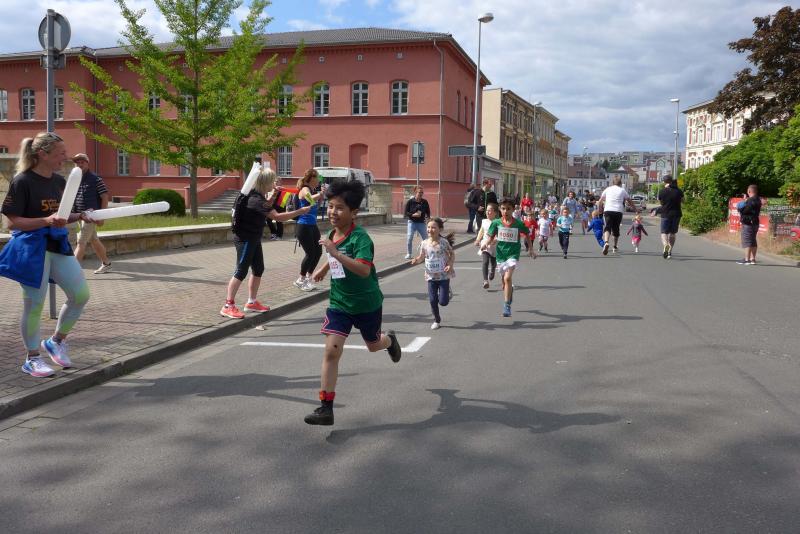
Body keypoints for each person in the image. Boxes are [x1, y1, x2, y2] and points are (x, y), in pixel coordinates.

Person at [304, 179, 402, 426]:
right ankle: (326, 408)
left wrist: (335, 254)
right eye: (330, 206)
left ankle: (390, 340)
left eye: (339, 208)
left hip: (367, 303)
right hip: (340, 302)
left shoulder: (361, 238)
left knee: (374, 345)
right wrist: (324, 268)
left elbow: (363, 269)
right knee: (331, 350)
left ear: (354, 212)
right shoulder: (332, 234)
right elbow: (334, 253)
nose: (332, 212)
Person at [0, 132, 92, 377]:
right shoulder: (22, 181)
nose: (66, 157)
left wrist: (81, 215)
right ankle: (32, 358)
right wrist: (46, 220)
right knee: (34, 304)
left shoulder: (59, 181)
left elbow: (61, 215)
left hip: (57, 245)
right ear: (43, 154)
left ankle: (56, 341)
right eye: (61, 153)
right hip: (31, 249)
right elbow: (12, 223)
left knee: (80, 294)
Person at [220, 168, 310, 319]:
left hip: (254, 238)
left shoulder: (257, 196)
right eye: (272, 182)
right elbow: (277, 217)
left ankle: (251, 302)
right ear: (265, 183)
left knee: (258, 269)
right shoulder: (255, 199)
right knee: (241, 271)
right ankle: (228, 305)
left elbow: (266, 206)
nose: (274, 184)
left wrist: (274, 195)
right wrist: (299, 211)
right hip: (246, 239)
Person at [483, 198, 533, 317]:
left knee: (507, 278)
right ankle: (509, 293)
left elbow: (527, 234)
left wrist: (531, 249)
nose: (506, 211)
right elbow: (491, 236)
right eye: (503, 208)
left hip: (513, 254)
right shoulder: (496, 223)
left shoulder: (518, 223)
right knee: (504, 282)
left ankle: (506, 305)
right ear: (500, 210)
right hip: (501, 255)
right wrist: (486, 244)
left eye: (508, 209)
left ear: (513, 209)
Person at [410, 218, 455, 330]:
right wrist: (416, 260)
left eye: (433, 227)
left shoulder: (444, 242)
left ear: (440, 229)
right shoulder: (424, 243)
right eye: (429, 227)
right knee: (432, 300)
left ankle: (447, 291)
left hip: (443, 276)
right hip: (430, 276)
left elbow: (452, 254)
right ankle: (436, 320)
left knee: (443, 302)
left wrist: (450, 264)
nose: (430, 230)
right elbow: (421, 257)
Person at [70, 153, 112, 274]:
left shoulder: (95, 179)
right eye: (77, 162)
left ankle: (72, 272)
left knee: (81, 241)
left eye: (82, 162)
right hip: (80, 216)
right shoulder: (76, 179)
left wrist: (102, 216)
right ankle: (106, 264)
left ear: (87, 163)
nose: (79, 164)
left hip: (91, 216)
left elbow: (105, 197)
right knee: (94, 240)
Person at [293, 168, 327, 291]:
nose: (318, 180)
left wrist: (321, 197)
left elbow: (314, 206)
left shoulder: (312, 190)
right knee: (310, 253)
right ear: (311, 178)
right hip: (304, 226)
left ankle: (308, 278)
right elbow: (309, 199)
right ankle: (300, 280)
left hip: (312, 225)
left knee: (318, 252)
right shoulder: (305, 189)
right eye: (317, 177)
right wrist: (320, 194)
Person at [598, 176, 637, 255]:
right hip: (618, 211)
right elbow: (629, 201)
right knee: (616, 228)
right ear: (620, 183)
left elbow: (600, 201)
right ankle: (615, 247)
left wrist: (600, 210)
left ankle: (606, 242)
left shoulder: (607, 189)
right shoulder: (622, 190)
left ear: (612, 183)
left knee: (607, 227)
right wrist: (635, 209)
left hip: (608, 210)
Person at [657, 175, 684, 259]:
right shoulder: (678, 191)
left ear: (664, 182)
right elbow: (683, 201)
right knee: (673, 233)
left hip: (665, 214)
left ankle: (665, 245)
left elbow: (661, 203)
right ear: (672, 181)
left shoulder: (662, 191)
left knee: (664, 233)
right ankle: (669, 251)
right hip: (676, 214)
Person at [474, 202, 499, 289]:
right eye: (487, 210)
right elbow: (481, 231)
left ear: (495, 212)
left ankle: (492, 270)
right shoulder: (484, 221)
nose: (488, 212)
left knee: (493, 262)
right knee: (485, 261)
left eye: (490, 210)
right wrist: (478, 240)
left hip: (494, 246)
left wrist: (496, 240)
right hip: (485, 244)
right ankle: (485, 281)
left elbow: (499, 234)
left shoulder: (498, 222)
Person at [736, 184, 762, 265]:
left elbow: (744, 210)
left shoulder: (750, 200)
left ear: (749, 191)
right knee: (753, 240)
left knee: (747, 240)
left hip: (748, 223)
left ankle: (747, 259)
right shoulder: (758, 200)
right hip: (755, 222)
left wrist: (743, 203)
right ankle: (752, 259)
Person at [403, 185, 430, 259]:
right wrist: (413, 215)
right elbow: (405, 213)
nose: (421, 194)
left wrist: (428, 218)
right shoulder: (410, 202)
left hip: (421, 223)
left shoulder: (424, 202)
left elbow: (428, 212)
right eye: (419, 192)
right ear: (415, 192)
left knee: (426, 239)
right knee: (409, 237)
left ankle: (427, 253)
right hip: (412, 222)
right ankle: (409, 253)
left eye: (422, 192)